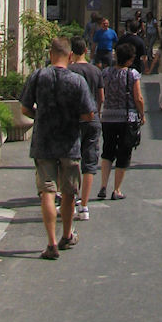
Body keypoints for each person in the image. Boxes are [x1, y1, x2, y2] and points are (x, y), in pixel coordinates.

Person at [19, 37, 95, 260]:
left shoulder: (38, 76)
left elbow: (24, 108)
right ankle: (67, 235)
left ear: (50, 55)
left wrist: (40, 116)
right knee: (69, 192)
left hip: (43, 142)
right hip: (69, 142)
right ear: (70, 56)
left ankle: (51, 242)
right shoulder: (77, 81)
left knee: (47, 191)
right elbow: (89, 114)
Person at [97, 42, 145, 201]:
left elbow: (102, 93)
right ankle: (116, 189)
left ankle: (103, 186)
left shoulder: (106, 73)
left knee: (107, 151)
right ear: (130, 60)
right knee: (123, 154)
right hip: (127, 118)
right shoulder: (133, 74)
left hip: (108, 116)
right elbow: (138, 98)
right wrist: (142, 114)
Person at [68, 35, 103, 220]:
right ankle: (84, 205)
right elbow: (101, 97)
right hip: (92, 118)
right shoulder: (95, 71)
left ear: (71, 53)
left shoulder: (69, 70)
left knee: (71, 159)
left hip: (73, 119)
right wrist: (97, 112)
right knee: (89, 162)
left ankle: (70, 200)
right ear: (86, 51)